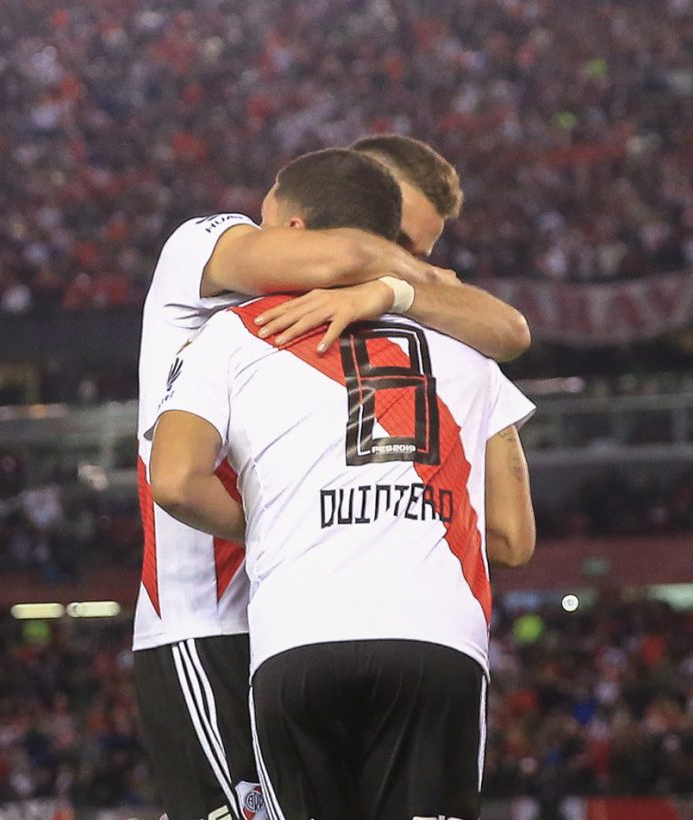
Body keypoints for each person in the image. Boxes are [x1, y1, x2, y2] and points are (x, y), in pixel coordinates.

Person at [133, 141, 530, 820]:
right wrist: (412, 281)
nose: (402, 256)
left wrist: (398, 290)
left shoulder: (390, 315)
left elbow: (511, 331)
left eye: (416, 248)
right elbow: (346, 256)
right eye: (395, 239)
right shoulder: (206, 253)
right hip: (210, 622)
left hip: (304, 621)